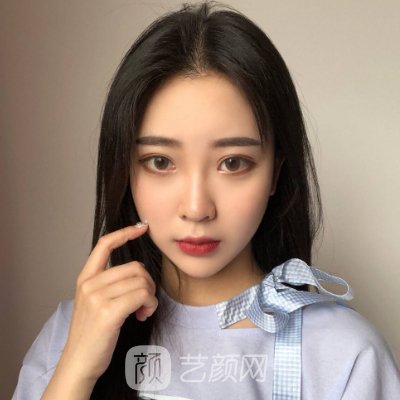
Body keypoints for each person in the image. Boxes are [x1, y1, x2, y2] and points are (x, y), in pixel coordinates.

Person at [12, 1, 400, 399]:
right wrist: (76, 370)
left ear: (275, 173)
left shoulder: (346, 356)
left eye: (233, 163)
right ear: (125, 169)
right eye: (160, 162)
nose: (197, 209)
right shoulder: (71, 335)